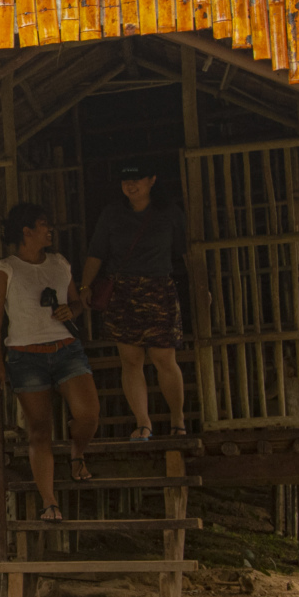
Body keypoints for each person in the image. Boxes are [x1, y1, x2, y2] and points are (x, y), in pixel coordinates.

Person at [0, 202, 100, 519]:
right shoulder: (4, 268)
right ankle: (50, 502)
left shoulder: (59, 263)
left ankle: (77, 452)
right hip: (25, 357)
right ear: (27, 231)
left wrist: (71, 310)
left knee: (88, 414)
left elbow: (77, 303)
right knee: (39, 431)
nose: (50, 230)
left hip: (66, 349)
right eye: (43, 224)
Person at [79, 161, 189, 440]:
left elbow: (187, 253)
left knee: (164, 357)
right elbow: (96, 253)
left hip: (159, 288)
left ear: (152, 179)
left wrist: (202, 287)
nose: (130, 185)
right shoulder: (112, 214)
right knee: (130, 360)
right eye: (126, 180)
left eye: (137, 179)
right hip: (123, 291)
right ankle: (143, 423)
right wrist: (85, 286)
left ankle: (178, 420)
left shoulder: (169, 213)